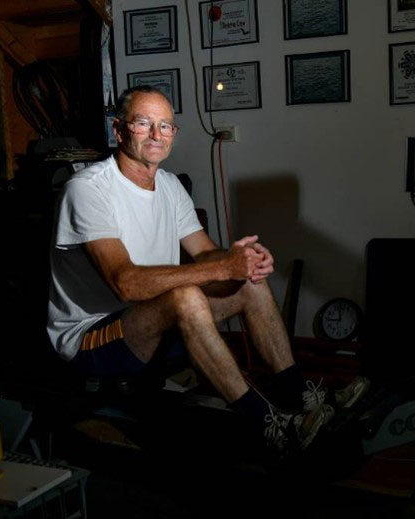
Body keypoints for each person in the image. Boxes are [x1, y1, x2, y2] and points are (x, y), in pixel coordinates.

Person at [47, 85, 352, 459]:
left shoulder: (170, 185)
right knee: (185, 297)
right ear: (119, 130)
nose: (157, 134)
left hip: (154, 321)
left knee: (249, 284)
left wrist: (241, 260)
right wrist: (222, 267)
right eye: (143, 123)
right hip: (91, 337)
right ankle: (267, 423)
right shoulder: (87, 190)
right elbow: (126, 283)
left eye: (165, 126)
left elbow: (206, 253)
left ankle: (300, 397)